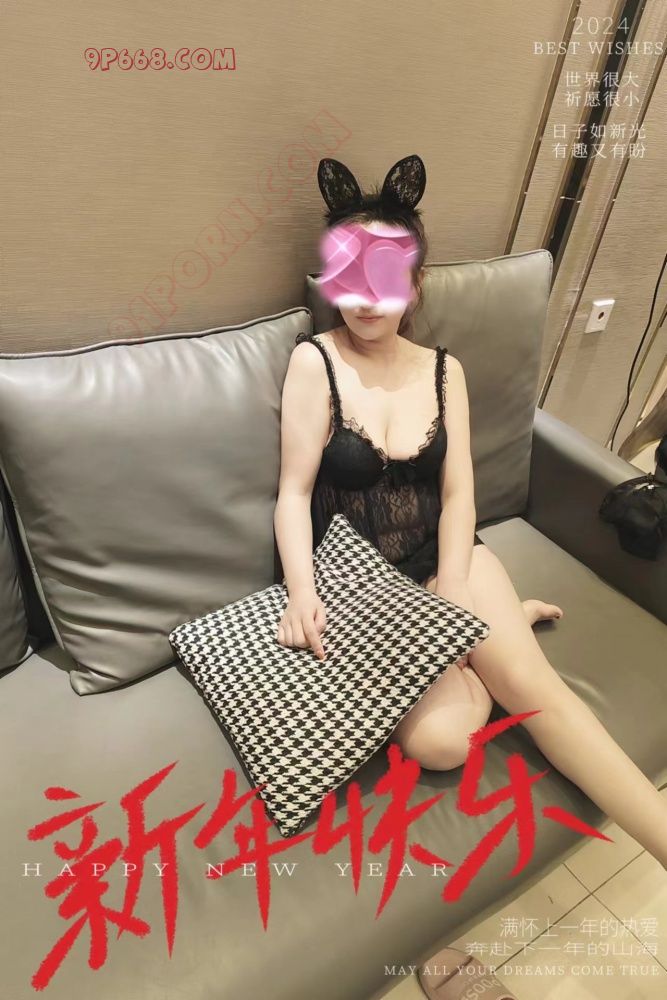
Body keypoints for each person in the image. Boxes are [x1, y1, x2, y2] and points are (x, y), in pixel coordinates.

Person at [273, 154, 667, 869]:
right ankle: (496, 635)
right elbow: (294, 494)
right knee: (440, 746)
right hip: (361, 583)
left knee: (540, 695)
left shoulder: (442, 370)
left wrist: (452, 588)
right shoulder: (315, 363)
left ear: (414, 283)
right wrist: (302, 590)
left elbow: (458, 495)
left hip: (445, 559)